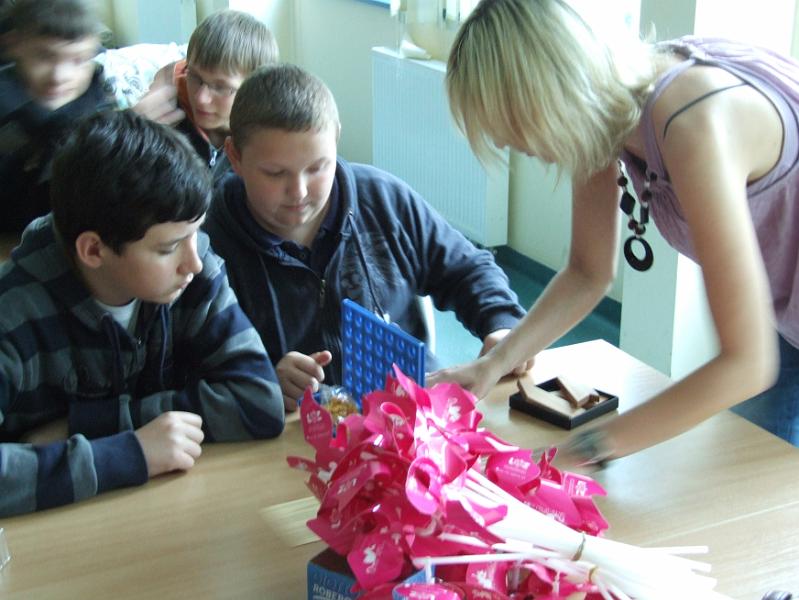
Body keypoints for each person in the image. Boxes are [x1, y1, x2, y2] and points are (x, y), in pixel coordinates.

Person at [431, 0, 799, 465]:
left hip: (773, 332)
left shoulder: (693, 124)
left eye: (511, 127)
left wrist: (589, 447)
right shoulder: (603, 112)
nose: (509, 144)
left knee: (760, 480)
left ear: (548, 97)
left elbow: (746, 364)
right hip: (783, 314)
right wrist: (493, 364)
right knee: (757, 465)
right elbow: (587, 272)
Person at [0, 110, 285, 518]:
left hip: (160, 518)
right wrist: (129, 454)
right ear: (93, 250)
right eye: (168, 248)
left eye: (196, 233)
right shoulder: (13, 313)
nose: (194, 263)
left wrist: (89, 425)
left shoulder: (192, 268)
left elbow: (259, 400)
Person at [204, 64, 528, 410]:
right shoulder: (207, 249)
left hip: (409, 415)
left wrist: (501, 324)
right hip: (296, 427)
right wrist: (263, 382)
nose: (299, 191)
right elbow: (197, 369)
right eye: (274, 173)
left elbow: (466, 268)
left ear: (336, 139)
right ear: (235, 156)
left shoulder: (382, 199)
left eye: (317, 167)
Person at [0, 0, 181, 236]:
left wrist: (131, 132)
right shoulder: (7, 106)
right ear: (13, 44)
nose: (60, 76)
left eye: (78, 60)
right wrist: (119, 132)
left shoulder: (98, 97)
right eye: (44, 56)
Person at [172, 9, 278, 181]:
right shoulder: (167, 124)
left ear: (255, 89)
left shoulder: (269, 141)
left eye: (221, 87)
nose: (201, 98)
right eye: (196, 78)